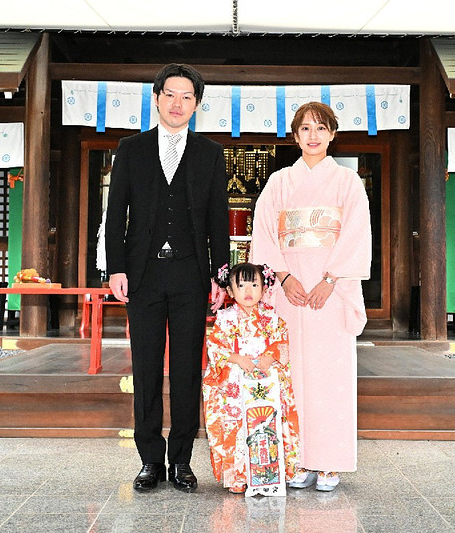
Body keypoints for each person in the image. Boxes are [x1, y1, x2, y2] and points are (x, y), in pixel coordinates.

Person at [104, 63, 230, 493]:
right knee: (146, 368)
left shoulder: (210, 153)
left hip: (191, 276)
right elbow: (115, 213)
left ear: (197, 104)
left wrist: (220, 275)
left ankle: (182, 460)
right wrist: (116, 268)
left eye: (187, 97)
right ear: (156, 98)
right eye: (170, 94)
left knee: (187, 369)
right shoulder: (131, 149)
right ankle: (149, 460)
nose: (178, 103)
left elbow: (218, 220)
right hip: (143, 275)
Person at [250, 102, 371, 492]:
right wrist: (283, 276)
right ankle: (298, 458)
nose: (313, 135)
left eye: (320, 128)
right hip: (290, 291)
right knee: (291, 372)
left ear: (332, 134)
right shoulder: (279, 182)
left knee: (330, 375)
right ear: (295, 136)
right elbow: (264, 233)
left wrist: (330, 279)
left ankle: (330, 461)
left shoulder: (347, 182)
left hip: (330, 290)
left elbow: (355, 234)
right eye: (305, 129)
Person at [202, 262, 300, 495]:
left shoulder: (272, 317)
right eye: (241, 286)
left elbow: (281, 342)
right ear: (230, 290)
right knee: (236, 427)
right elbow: (215, 346)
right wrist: (236, 358)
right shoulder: (225, 318)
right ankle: (237, 476)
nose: (248, 291)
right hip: (236, 383)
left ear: (264, 289)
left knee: (267, 426)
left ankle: (270, 473)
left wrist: (270, 357)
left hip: (266, 380)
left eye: (254, 285)